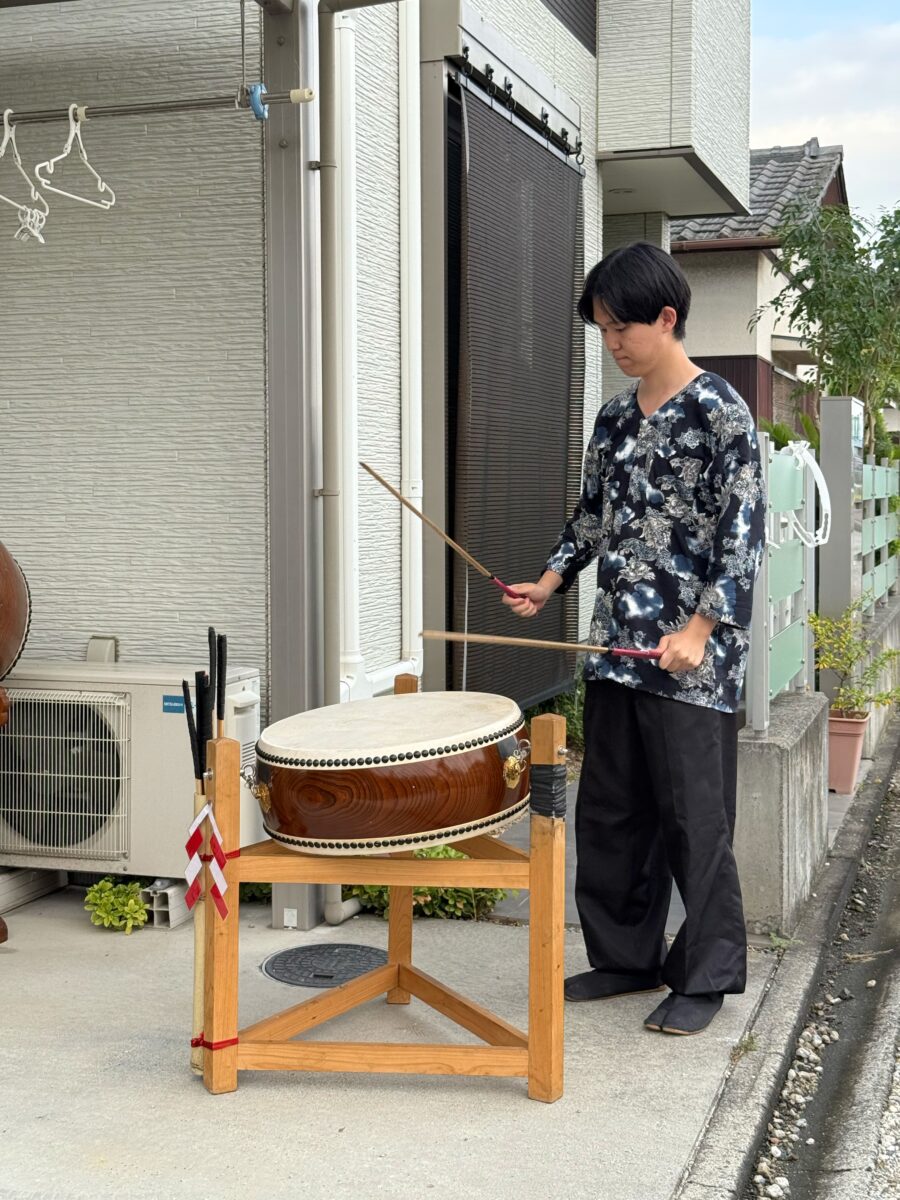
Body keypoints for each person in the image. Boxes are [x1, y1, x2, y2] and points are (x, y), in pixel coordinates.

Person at [504, 241, 766, 1036]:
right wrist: (548, 581)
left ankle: (705, 976)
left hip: (690, 661)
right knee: (612, 814)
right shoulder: (614, 418)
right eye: (602, 329)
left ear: (667, 317)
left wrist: (700, 628)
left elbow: (744, 538)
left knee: (695, 818)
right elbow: (591, 517)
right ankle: (623, 957)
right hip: (617, 649)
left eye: (622, 328)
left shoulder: (723, 412)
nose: (613, 343)